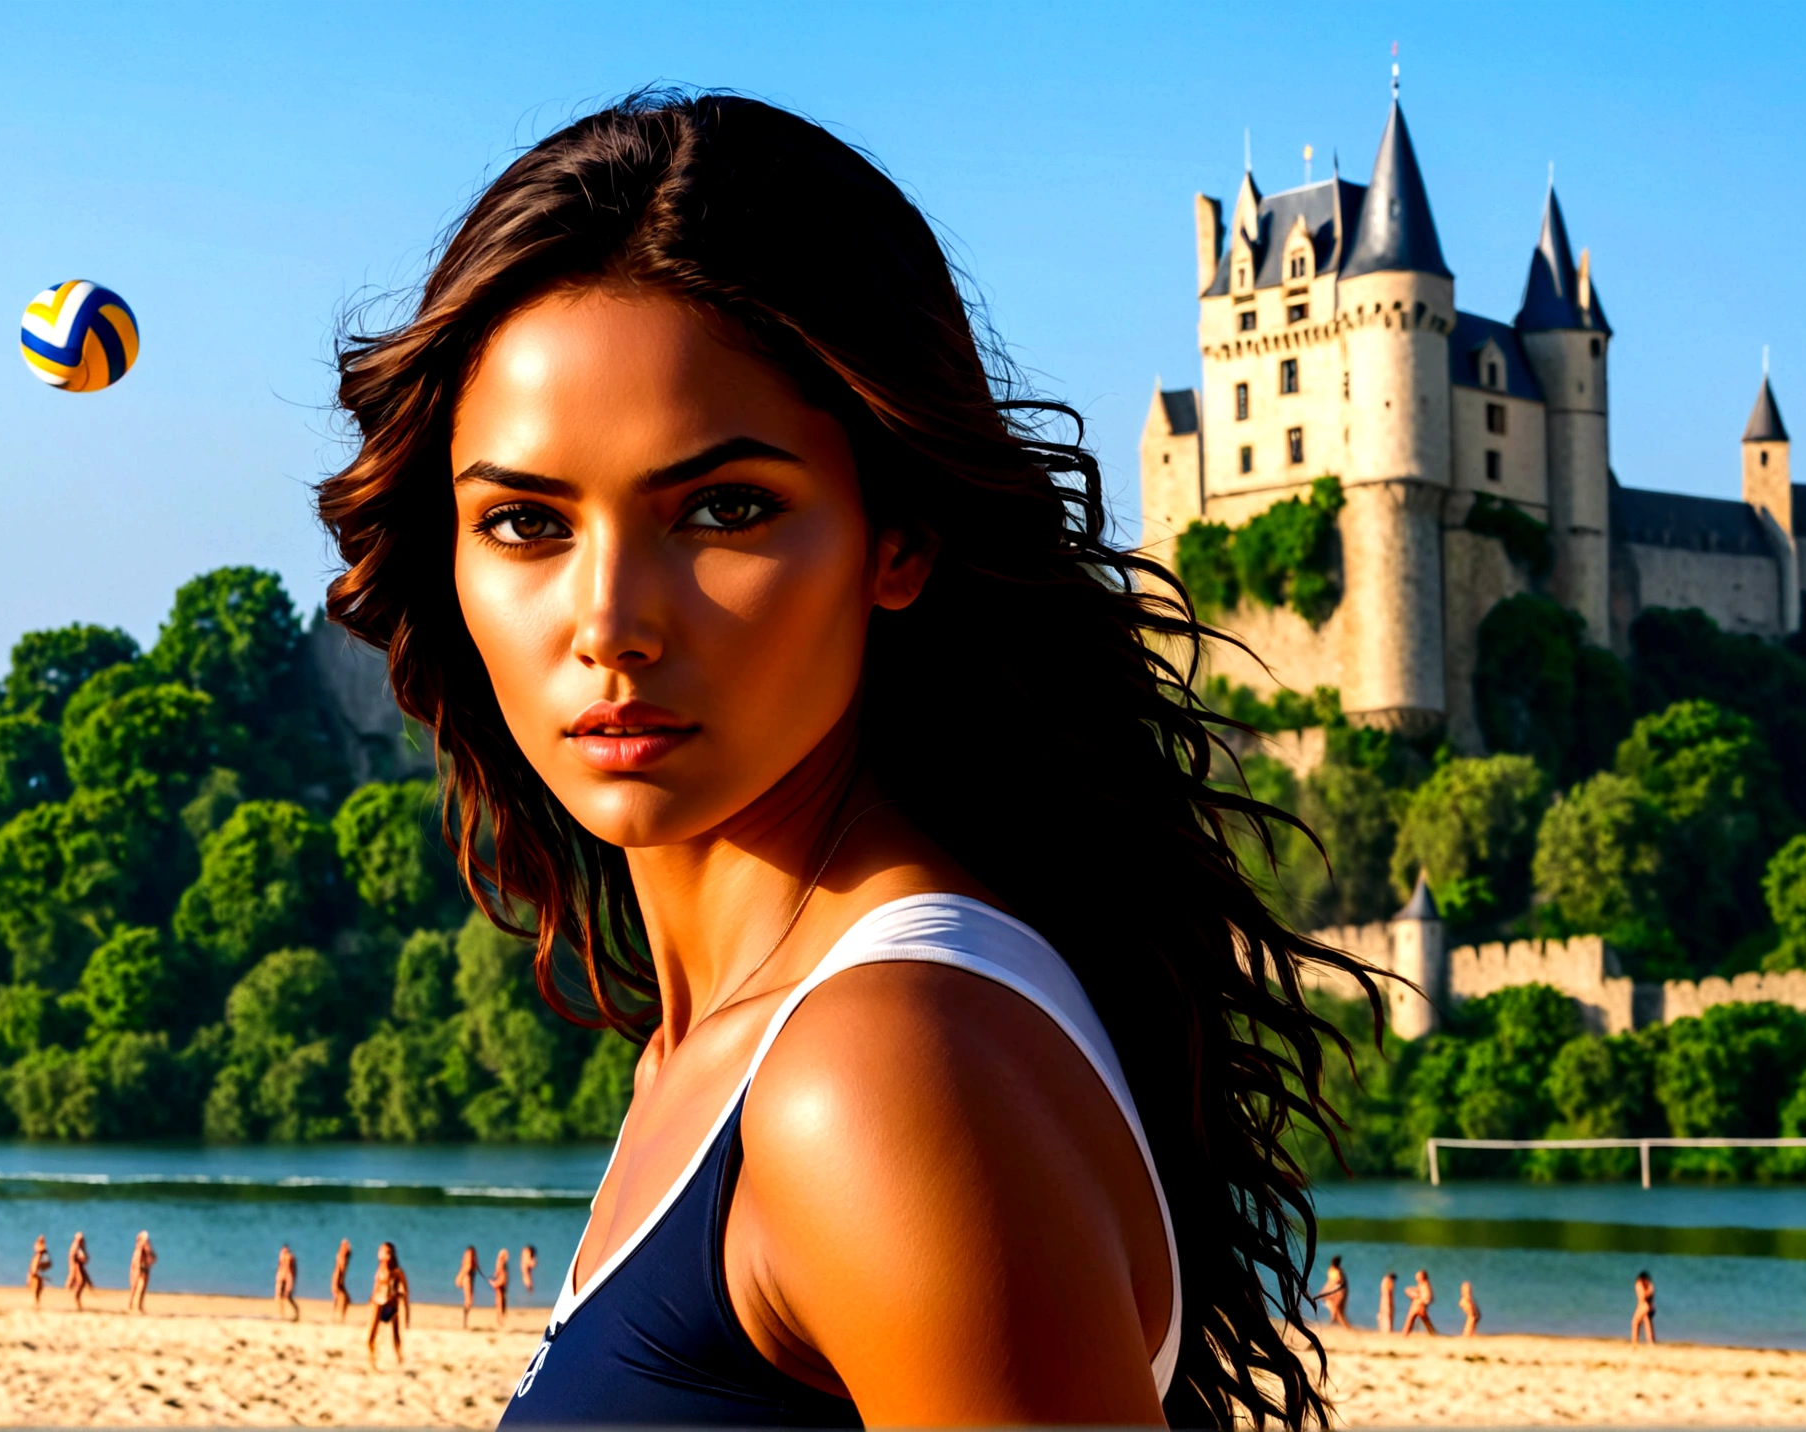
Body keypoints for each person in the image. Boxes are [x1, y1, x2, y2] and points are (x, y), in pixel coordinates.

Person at [314, 88, 1378, 1430]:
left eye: (726, 508)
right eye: (527, 523)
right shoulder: (735, 1050)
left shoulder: (872, 1075)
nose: (610, 625)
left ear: (900, 537)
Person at [365, 1242, 411, 1368]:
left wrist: (406, 1314)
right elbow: (376, 1287)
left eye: (389, 1252)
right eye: (384, 1252)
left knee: (395, 1336)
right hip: (378, 1303)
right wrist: (371, 1299)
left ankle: (399, 1357)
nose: (387, 1255)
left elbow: (405, 1293)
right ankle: (372, 1360)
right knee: (371, 1336)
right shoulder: (380, 1269)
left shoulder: (397, 1272)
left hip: (391, 1305)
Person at [1401, 1269, 1437, 1335]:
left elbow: (1427, 1298)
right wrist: (1409, 1290)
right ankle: (1405, 1333)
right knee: (1414, 1320)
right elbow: (1418, 1291)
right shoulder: (1421, 1285)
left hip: (1419, 1306)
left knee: (1414, 1319)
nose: (1416, 1278)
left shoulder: (1425, 1285)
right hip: (1418, 1305)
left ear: (1422, 1277)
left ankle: (1405, 1333)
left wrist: (1417, 1297)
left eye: (1418, 1276)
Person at [128, 1231, 156, 1313]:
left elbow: (153, 1258)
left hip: (144, 1268)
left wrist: (149, 1261)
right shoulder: (138, 1248)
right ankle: (131, 1305)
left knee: (142, 1288)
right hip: (138, 1268)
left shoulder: (147, 1247)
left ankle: (139, 1306)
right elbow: (135, 1261)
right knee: (134, 1286)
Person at [1320, 1255, 1351, 1330]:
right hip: (1335, 1292)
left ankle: (1344, 1327)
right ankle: (1343, 1327)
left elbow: (1339, 1283)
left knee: (1338, 1311)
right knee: (1336, 1311)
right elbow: (1330, 1282)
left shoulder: (1338, 1271)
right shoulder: (1333, 1270)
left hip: (1339, 1292)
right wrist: (1324, 1291)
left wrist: (1324, 1291)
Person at [64, 1232, 92, 1311]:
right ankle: (74, 1299)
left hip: (79, 1267)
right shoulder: (75, 1247)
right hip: (75, 1267)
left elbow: (85, 1257)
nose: (81, 1241)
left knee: (81, 1283)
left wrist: (84, 1259)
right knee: (78, 1282)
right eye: (80, 1240)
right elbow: (73, 1258)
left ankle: (76, 1299)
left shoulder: (81, 1247)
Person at [26, 1236, 52, 1309]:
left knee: (38, 1288)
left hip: (38, 1271)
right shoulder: (40, 1251)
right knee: (36, 1288)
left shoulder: (42, 1251)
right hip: (36, 1271)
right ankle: (35, 1303)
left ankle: (36, 1302)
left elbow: (47, 1263)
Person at [275, 1244, 299, 1322]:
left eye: (286, 1250)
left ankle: (296, 1312)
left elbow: (294, 1270)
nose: (284, 1252)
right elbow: (279, 1266)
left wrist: (292, 1281)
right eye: (283, 1250)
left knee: (288, 1296)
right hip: (281, 1276)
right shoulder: (281, 1256)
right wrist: (278, 1276)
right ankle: (281, 1313)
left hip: (289, 1276)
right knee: (279, 1296)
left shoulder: (291, 1257)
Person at [457, 1245, 479, 1329]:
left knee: (469, 1300)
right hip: (467, 1277)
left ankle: (465, 1322)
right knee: (469, 1300)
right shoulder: (469, 1255)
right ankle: (464, 1322)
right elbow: (467, 1267)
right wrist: (460, 1277)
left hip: (469, 1277)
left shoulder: (470, 1255)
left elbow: (467, 1267)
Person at [1631, 1270, 1655, 1345]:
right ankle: (1650, 1341)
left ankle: (1635, 1341)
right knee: (1646, 1323)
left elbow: (1643, 1296)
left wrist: (1648, 1292)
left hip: (1644, 1306)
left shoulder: (1645, 1285)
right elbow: (1644, 1296)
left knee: (1635, 1322)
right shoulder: (1641, 1284)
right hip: (1644, 1305)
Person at [331, 1239, 353, 1323]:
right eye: (345, 1245)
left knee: (341, 1299)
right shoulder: (341, 1257)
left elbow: (350, 1252)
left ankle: (337, 1316)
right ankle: (337, 1317)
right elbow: (338, 1270)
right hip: (338, 1279)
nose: (348, 1247)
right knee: (343, 1298)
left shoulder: (345, 1256)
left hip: (340, 1281)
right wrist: (336, 1283)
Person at [490, 1249, 512, 1329]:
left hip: (502, 1286)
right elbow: (501, 1277)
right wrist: (494, 1283)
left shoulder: (502, 1265)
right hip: (500, 1286)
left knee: (502, 1303)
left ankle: (501, 1320)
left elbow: (501, 1276)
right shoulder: (501, 1264)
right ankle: (500, 1320)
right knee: (500, 1304)